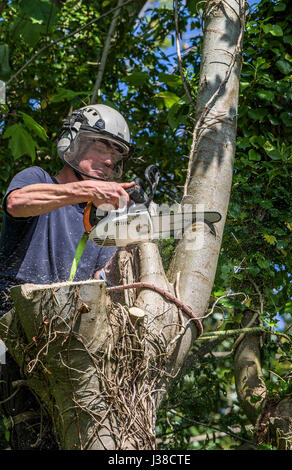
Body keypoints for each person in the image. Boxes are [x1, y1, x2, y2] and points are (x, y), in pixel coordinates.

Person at [0, 104, 134, 449]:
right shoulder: (38, 180)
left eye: (116, 155)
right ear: (74, 143)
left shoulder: (101, 224)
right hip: (11, 329)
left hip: (64, 343)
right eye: (102, 147)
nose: (109, 160)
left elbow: (104, 279)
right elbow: (17, 203)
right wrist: (85, 191)